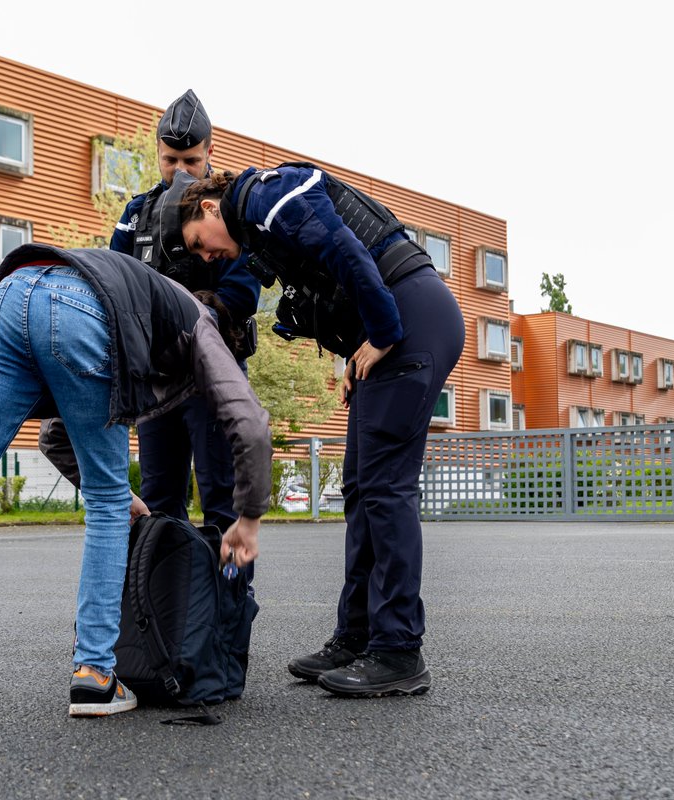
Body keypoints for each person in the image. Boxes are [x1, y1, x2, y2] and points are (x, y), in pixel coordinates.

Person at [0, 244, 271, 726]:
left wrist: (125, 496)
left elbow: (55, 435)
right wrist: (248, 517)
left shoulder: (149, 303)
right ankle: (96, 674)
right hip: (78, 304)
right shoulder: (201, 323)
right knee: (104, 507)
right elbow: (250, 423)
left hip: (9, 297)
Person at [174, 163, 465, 698]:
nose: (205, 256)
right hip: (391, 328)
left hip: (412, 318)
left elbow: (349, 254)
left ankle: (398, 650)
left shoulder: (266, 198)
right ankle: (356, 637)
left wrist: (381, 335)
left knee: (384, 490)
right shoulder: (257, 224)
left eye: (199, 243)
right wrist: (356, 359)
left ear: (210, 209)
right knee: (359, 488)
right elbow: (336, 282)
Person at [110, 89, 262, 546]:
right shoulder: (136, 214)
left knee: (221, 497)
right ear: (157, 153)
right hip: (158, 379)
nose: (180, 171)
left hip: (212, 372)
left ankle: (228, 611)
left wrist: (179, 309)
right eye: (171, 159)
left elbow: (241, 294)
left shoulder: (229, 207)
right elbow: (115, 284)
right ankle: (165, 606)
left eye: (191, 161)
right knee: (159, 499)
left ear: (210, 152)